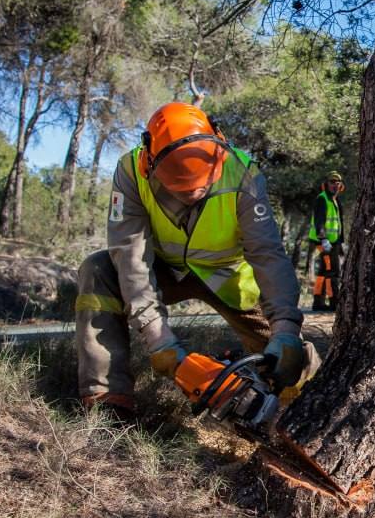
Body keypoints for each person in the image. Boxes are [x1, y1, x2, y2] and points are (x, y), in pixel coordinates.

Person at [74, 102, 319, 423]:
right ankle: (107, 402)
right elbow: (130, 256)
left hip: (230, 278)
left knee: (287, 358)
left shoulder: (242, 172)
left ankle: (307, 407)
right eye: (183, 190)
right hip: (164, 271)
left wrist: (285, 329)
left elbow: (267, 255)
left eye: (202, 188)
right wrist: (161, 342)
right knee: (98, 269)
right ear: (150, 160)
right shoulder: (131, 171)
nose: (194, 195)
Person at [306, 170, 345, 311]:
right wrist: (323, 239)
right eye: (332, 182)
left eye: (337, 182)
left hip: (333, 243)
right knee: (331, 272)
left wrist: (340, 242)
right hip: (324, 243)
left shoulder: (335, 200)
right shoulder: (322, 199)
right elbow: (319, 221)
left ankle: (318, 302)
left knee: (324, 272)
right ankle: (333, 302)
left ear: (341, 186)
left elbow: (339, 223)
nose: (334, 185)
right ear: (326, 185)